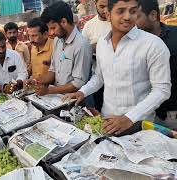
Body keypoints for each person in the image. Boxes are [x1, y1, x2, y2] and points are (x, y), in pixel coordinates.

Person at [63, 0, 171, 135]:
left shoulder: (153, 45)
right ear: (108, 15)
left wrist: (129, 118)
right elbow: (100, 77)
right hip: (107, 121)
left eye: (133, 11)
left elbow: (162, 90)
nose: (127, 17)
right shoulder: (102, 43)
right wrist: (83, 92)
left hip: (139, 125)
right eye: (121, 11)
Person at [27, 1, 92, 96]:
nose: (50, 33)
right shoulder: (58, 40)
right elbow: (53, 71)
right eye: (49, 29)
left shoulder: (81, 45)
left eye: (53, 28)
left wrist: (49, 91)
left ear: (64, 22)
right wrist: (36, 81)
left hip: (73, 100)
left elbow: (78, 83)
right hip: (57, 98)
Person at [136, 0, 177, 130]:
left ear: (153, 15)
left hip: (173, 115)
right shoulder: (135, 43)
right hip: (149, 113)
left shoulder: (175, 37)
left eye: (136, 16)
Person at [82, 0, 112, 111]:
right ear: (95, 4)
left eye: (108, 6)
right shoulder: (89, 26)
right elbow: (84, 52)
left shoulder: (119, 23)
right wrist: (94, 47)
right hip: (98, 76)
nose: (105, 10)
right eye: (102, 6)